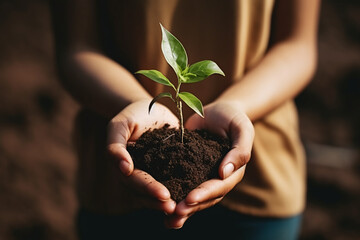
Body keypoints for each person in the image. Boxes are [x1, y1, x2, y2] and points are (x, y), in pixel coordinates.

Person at [50, 0, 320, 239]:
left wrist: (236, 105)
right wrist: (135, 103)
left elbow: (298, 44)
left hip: (262, 181)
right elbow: (76, 47)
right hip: (118, 189)